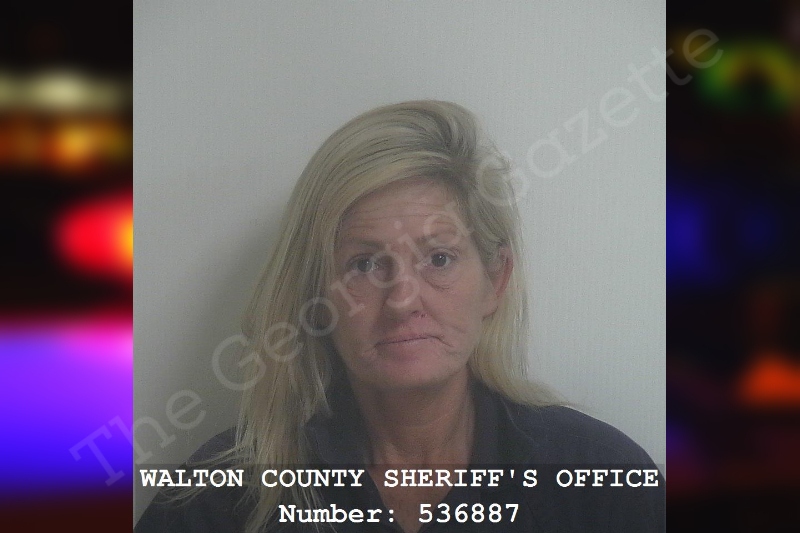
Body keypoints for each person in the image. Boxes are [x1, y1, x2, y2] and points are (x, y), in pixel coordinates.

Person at [135, 100, 664, 532]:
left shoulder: (600, 482)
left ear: (495, 280)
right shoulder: (223, 497)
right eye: (363, 264)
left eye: (439, 258)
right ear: (315, 297)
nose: (403, 300)